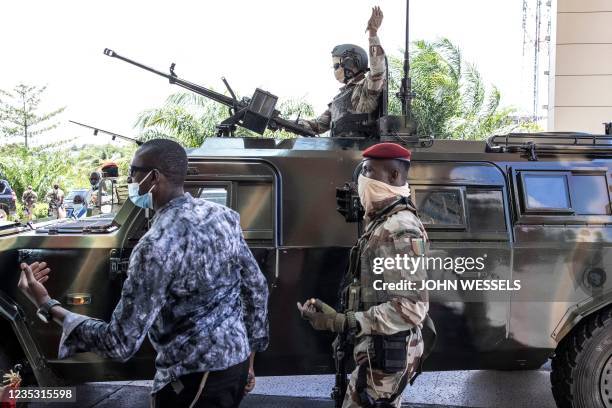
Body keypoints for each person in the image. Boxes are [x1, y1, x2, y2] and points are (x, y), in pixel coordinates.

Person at [17, 139, 269, 408]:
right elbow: (257, 288)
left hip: (193, 383)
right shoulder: (223, 217)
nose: (130, 179)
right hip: (236, 367)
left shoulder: (154, 245)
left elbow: (119, 342)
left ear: (154, 178)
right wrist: (249, 360)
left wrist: (46, 304)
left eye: (133, 171)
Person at [297, 143, 432, 408]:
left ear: (393, 176)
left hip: (387, 350)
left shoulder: (399, 228)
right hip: (377, 349)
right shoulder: (383, 222)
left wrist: (341, 321)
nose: (362, 179)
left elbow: (411, 308)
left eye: (369, 171)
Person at [299, 6, 386, 137]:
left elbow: (378, 70)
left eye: (336, 66)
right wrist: (284, 123)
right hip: (338, 154)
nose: (335, 71)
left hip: (360, 153)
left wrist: (373, 33)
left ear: (350, 63)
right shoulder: (338, 99)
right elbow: (316, 126)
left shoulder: (366, 88)